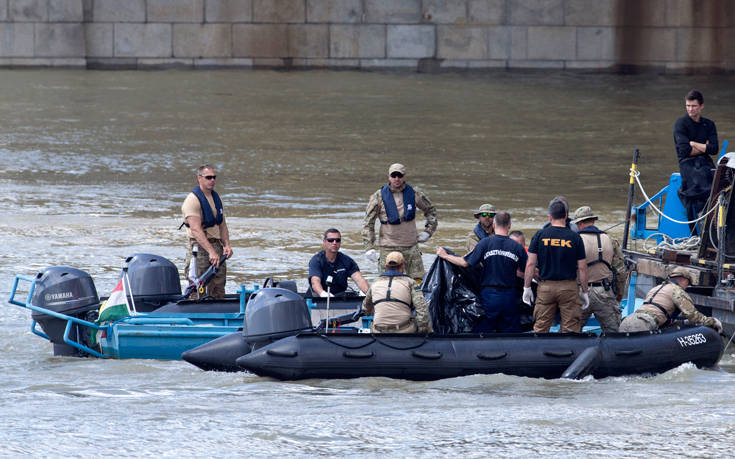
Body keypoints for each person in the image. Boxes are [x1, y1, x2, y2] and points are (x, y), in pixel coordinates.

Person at [437, 211, 528, 333]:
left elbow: (465, 263)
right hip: (509, 296)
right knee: (510, 331)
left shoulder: (485, 243)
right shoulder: (517, 247)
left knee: (485, 330)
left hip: (489, 295)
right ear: (509, 226)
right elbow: (528, 270)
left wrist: (445, 256)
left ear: (494, 225)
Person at [362, 163, 438, 282]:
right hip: (388, 246)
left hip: (411, 246)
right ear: (389, 176)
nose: (397, 179)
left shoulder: (414, 193)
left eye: (400, 175)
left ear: (404, 176)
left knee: (418, 281)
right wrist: (369, 247)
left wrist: (428, 232)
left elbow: (431, 210)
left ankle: (416, 300)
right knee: (387, 281)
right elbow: (368, 222)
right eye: (394, 175)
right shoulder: (379, 196)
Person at [523, 198, 589, 333]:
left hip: (545, 287)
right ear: (566, 216)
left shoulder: (540, 235)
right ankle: (568, 352)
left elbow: (530, 264)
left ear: (550, 217)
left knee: (540, 328)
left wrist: (527, 287)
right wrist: (585, 291)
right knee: (571, 329)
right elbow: (582, 268)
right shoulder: (575, 237)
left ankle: (539, 352)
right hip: (569, 288)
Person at [571, 206, 627, 333]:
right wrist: (618, 296)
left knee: (570, 332)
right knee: (614, 333)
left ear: (579, 223)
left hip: (580, 292)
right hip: (604, 292)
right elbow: (620, 272)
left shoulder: (574, 241)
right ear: (593, 221)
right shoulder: (610, 240)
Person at [181, 164, 233, 299]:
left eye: (214, 177)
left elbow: (222, 224)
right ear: (199, 178)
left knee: (219, 284)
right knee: (200, 285)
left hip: (217, 246)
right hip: (200, 249)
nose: (212, 180)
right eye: (208, 177)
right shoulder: (192, 201)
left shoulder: (216, 198)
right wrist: (211, 252)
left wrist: (227, 245)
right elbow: (196, 230)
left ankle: (219, 311)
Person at [619, 267, 722, 334]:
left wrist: (683, 323)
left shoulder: (655, 289)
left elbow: (662, 314)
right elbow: (693, 316)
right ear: (684, 279)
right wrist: (712, 322)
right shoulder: (677, 291)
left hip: (627, 321)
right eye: (687, 283)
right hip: (644, 324)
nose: (686, 287)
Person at [674, 89, 718, 233]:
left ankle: (718, 222)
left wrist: (694, 143)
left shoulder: (709, 124)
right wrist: (704, 146)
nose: (690, 109)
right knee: (698, 188)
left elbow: (714, 149)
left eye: (693, 106)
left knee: (719, 185)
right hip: (687, 163)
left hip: (705, 162)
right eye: (688, 106)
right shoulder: (681, 124)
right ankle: (699, 227)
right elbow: (684, 151)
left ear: (701, 106)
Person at [361, 251, 431, 334]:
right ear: (403, 266)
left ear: (386, 267)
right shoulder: (410, 282)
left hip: (379, 330)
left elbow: (365, 308)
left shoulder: (375, 282)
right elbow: (422, 309)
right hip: (404, 330)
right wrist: (423, 330)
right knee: (426, 323)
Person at [308, 228, 369, 297]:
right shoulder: (316, 261)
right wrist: (323, 293)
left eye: (337, 240)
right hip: (319, 298)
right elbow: (315, 282)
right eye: (331, 240)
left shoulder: (347, 260)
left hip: (341, 296)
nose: (334, 243)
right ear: (324, 242)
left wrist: (370, 294)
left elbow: (359, 279)